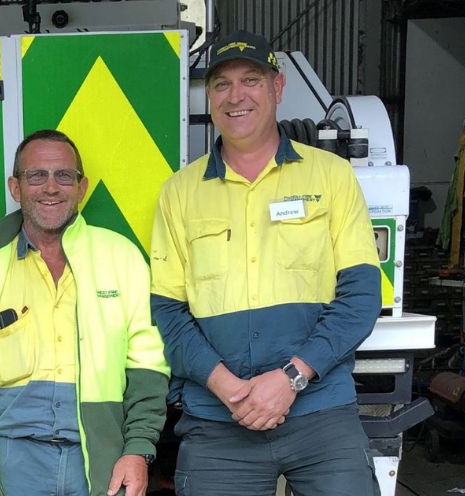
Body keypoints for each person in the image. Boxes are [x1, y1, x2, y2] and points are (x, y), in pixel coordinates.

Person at [150, 30, 382, 496]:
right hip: (218, 421)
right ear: (209, 97)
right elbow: (167, 312)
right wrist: (227, 387)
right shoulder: (179, 193)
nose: (236, 96)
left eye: (250, 80)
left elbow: (360, 297)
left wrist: (291, 377)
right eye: (221, 84)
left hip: (320, 413)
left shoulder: (331, 176)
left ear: (277, 88)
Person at [0, 129, 169, 496]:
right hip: (10, 462)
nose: (51, 187)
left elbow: (147, 367)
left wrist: (138, 449)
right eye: (36, 176)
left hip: (101, 459)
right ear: (16, 187)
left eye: (63, 176)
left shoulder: (121, 257)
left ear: (82, 186)